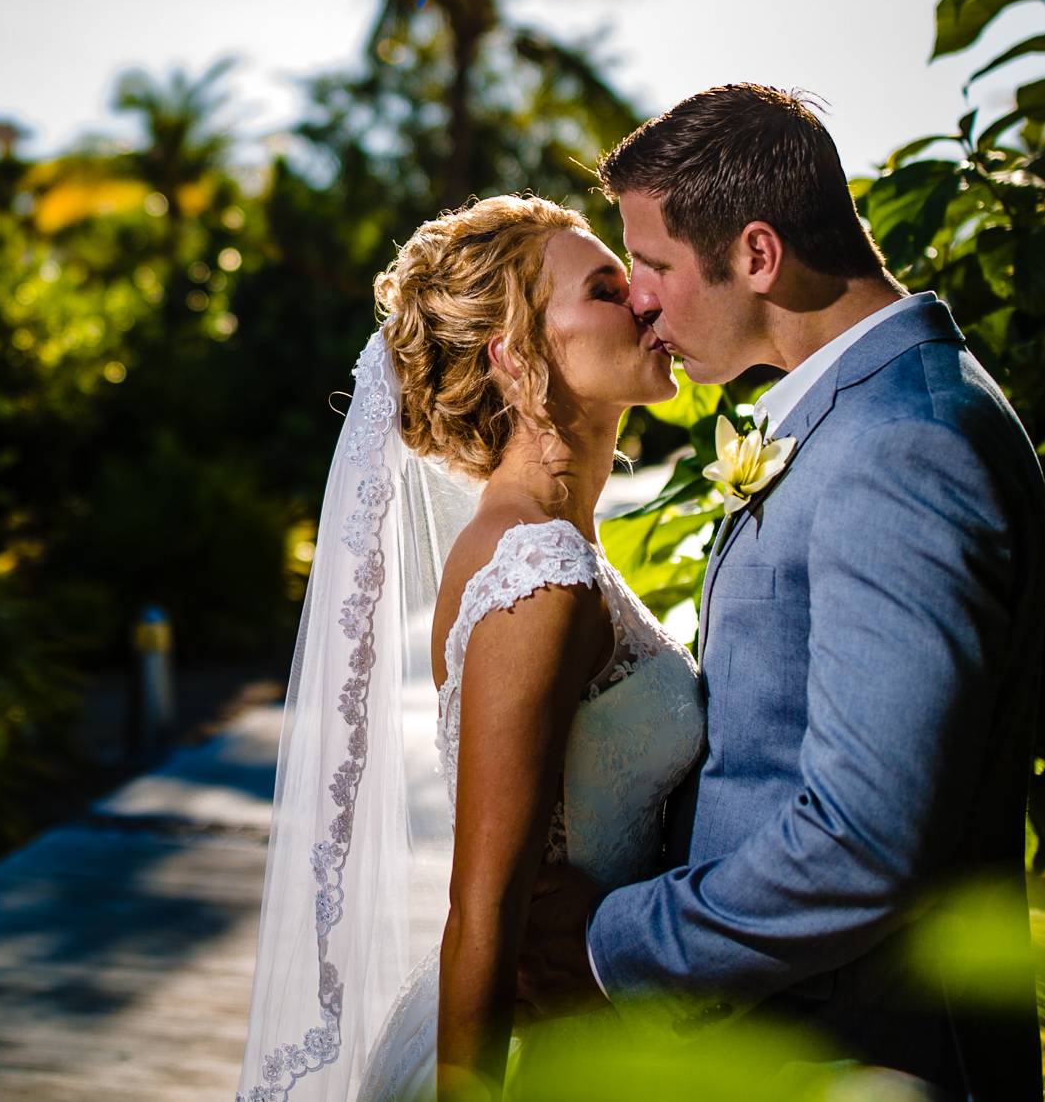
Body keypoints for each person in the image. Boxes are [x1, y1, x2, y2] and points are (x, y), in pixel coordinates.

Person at [514, 83, 1045, 1101]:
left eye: (658, 265)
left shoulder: (902, 446)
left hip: (868, 1057)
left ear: (757, 255)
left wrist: (609, 943)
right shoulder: (859, 417)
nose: (640, 298)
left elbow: (862, 839)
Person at [236, 193, 708, 1102]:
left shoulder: (551, 546)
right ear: (518, 356)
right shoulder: (539, 571)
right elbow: (483, 912)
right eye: (607, 287)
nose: (647, 300)